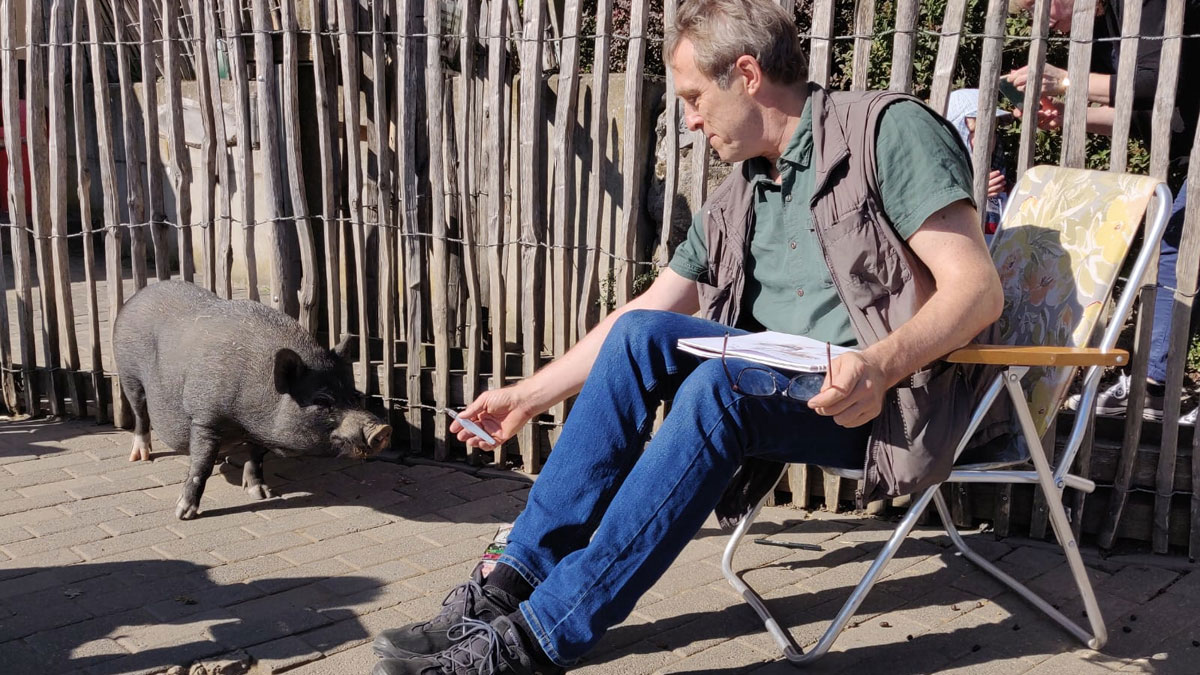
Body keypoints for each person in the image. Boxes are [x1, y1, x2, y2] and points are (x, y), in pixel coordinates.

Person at [370, 1, 1004, 673]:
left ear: (748, 74)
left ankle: (539, 639)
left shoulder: (886, 131)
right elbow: (646, 311)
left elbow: (976, 289)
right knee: (646, 332)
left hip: (885, 406)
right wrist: (529, 396)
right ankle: (509, 584)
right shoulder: (749, 188)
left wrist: (878, 364)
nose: (691, 119)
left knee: (717, 385)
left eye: (696, 97)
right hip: (778, 388)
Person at [1007, 0, 1200, 424]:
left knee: (1173, 248)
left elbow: (1155, 81)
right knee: (1173, 250)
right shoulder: (1103, 27)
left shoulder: (1148, 5)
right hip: (1187, 152)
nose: (1047, 25)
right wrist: (1067, 116)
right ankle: (1153, 387)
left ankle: (1153, 385)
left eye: (1042, 10)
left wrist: (1069, 81)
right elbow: (1143, 113)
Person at [943, 87, 1015, 239]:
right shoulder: (937, 186)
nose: (989, 138)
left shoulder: (1005, 187)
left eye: (993, 130)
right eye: (979, 131)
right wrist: (972, 195)